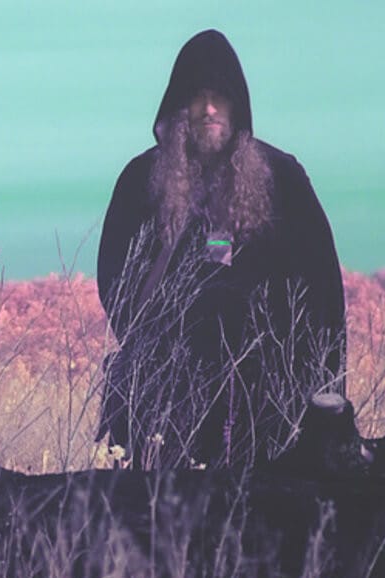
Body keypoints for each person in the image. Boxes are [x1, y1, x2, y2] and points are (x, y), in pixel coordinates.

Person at [97, 29, 346, 471]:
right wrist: (152, 351)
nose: (209, 109)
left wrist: (319, 384)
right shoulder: (141, 180)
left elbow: (324, 289)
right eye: (197, 97)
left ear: (237, 105)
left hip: (266, 397)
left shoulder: (283, 178)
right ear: (178, 107)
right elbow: (115, 278)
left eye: (220, 97)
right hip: (167, 396)